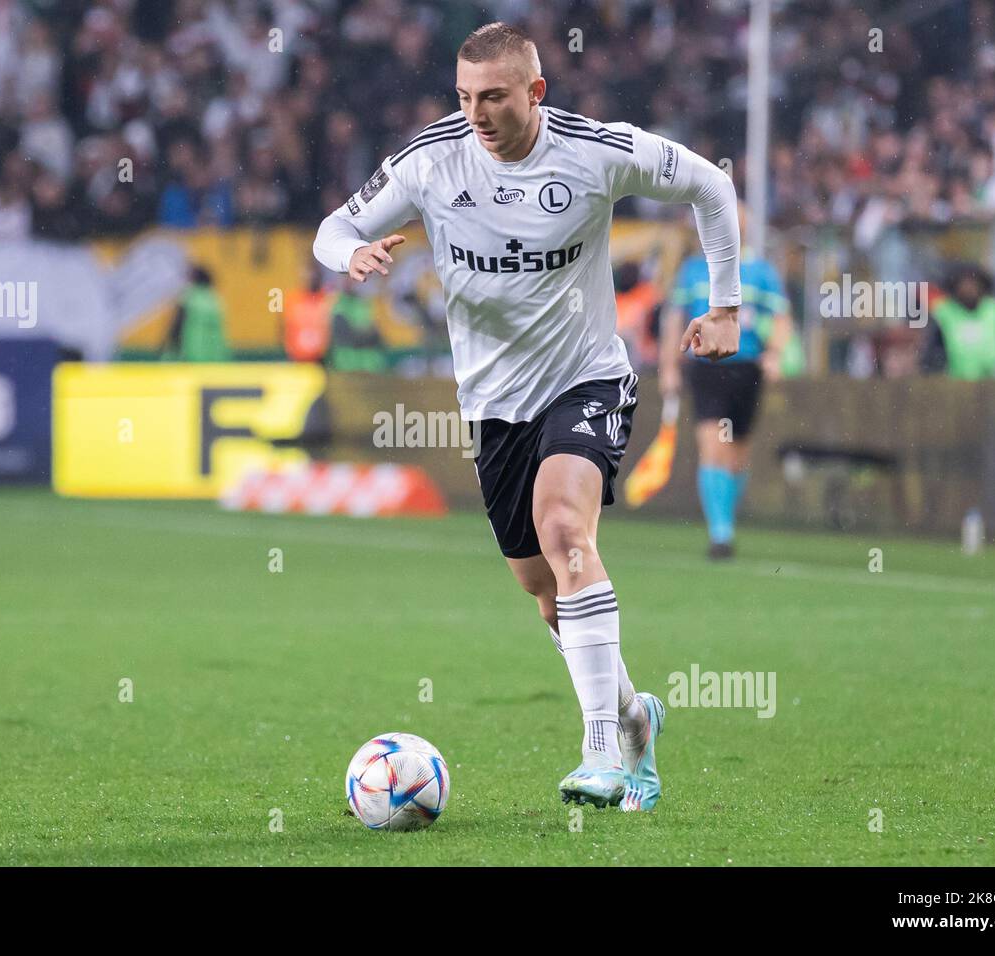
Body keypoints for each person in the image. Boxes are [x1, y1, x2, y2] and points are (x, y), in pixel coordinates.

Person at [313, 22, 740, 811]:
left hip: (587, 380)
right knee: (545, 591)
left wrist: (725, 306)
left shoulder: (593, 150)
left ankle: (601, 751)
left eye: (495, 96)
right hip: (494, 408)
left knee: (566, 531)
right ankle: (636, 718)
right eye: (466, 96)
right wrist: (353, 256)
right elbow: (333, 227)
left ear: (535, 92)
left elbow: (712, 185)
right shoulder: (430, 160)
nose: (477, 112)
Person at [659, 203, 791, 560]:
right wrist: (668, 367)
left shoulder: (761, 272)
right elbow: (674, 322)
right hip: (706, 369)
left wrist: (775, 354)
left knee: (737, 456)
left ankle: (725, 523)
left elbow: (781, 318)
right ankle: (721, 533)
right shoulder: (692, 271)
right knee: (713, 445)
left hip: (746, 370)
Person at [921, 264, 995, 380]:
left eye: (973, 283)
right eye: (964, 284)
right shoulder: (944, 313)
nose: (969, 289)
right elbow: (933, 355)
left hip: (993, 383)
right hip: (955, 385)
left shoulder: (994, 311)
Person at [165, 267, 230, 362]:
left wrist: (170, 346)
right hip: (216, 353)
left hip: (193, 351)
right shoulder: (215, 300)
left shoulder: (189, 297)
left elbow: (177, 324)